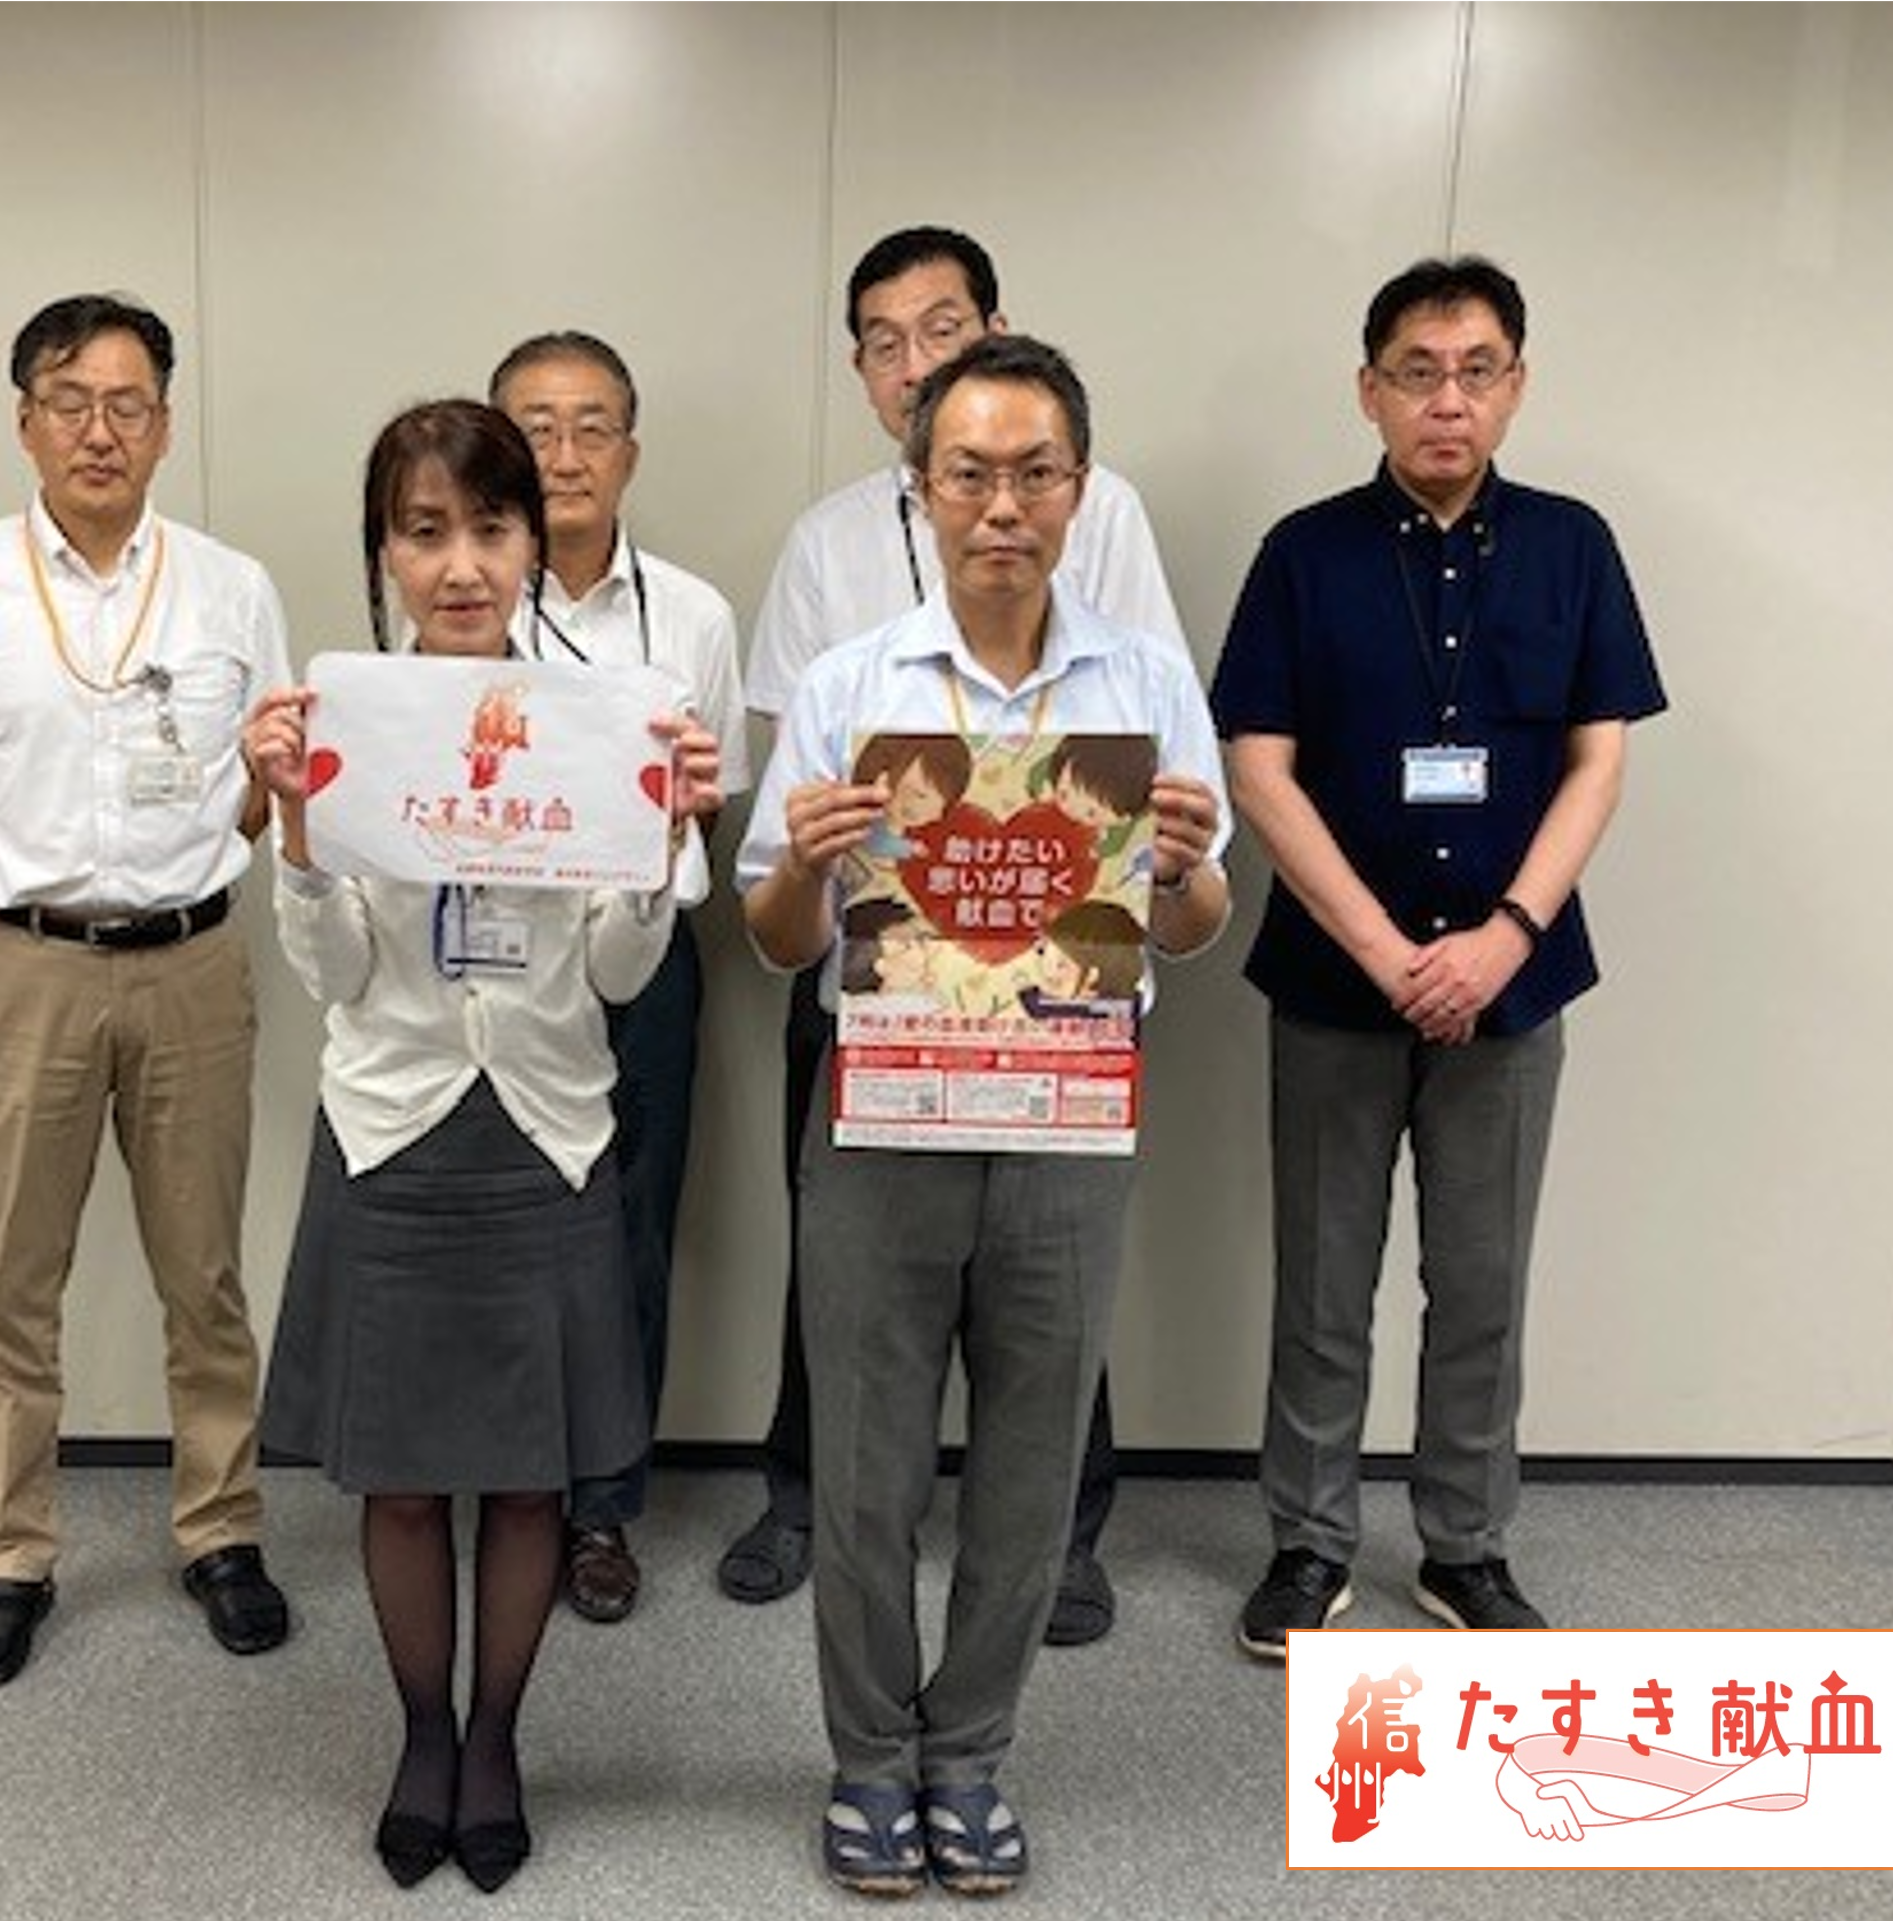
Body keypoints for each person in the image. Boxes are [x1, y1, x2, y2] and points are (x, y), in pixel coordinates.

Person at [737, 333, 1229, 1896]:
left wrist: (1183, 868)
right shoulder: (849, 687)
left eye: (1033, 474)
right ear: (922, 487)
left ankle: (970, 1756)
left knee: (1027, 1468)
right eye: (968, 474)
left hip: (1067, 1116)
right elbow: (775, 942)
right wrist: (806, 863)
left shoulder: (1141, 684)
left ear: (1077, 490)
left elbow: (1191, 927)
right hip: (881, 1112)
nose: (1001, 506)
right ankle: (867, 1759)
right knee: (865, 1463)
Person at [243, 400, 720, 1894]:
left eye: (490, 529)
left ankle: (497, 1738)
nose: (460, 564)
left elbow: (624, 976)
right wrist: (298, 828)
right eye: (424, 530)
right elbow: (334, 973)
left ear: (532, 543)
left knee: (525, 1484)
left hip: (546, 1128)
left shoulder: (606, 720)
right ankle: (420, 1735)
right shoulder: (340, 719)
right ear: (383, 550)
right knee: (399, 1484)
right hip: (392, 1128)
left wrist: (657, 840)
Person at [1210, 255, 1666, 1659]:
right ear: (1369, 390)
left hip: (1512, 988)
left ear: (1516, 387)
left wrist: (1503, 937)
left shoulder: (1573, 546)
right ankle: (1308, 1542)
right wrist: (1381, 948)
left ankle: (1465, 1546)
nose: (1446, 400)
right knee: (1322, 1283)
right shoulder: (1304, 553)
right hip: (1332, 987)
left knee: (1480, 1285)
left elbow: (1597, 761)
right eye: (1416, 372)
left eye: (1476, 371)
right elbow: (1257, 765)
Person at [0, 292, 294, 1689]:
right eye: (70, 402)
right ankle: (11, 1554)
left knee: (205, 1272)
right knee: (14, 1277)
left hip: (193, 963)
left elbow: (270, 776)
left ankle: (221, 1531)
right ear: (25, 422)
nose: (99, 430)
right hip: (26, 970)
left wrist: (180, 866)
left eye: (128, 404)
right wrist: (34, 884)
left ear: (166, 426)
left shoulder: (231, 586)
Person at [485, 331, 753, 1627]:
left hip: (646, 961)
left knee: (628, 1231)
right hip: (498, 959)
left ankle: (602, 1507)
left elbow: (711, 804)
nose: (564, 453)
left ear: (630, 453)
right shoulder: (462, 600)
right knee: (501, 1225)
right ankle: (505, 1485)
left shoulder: (692, 614)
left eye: (591, 425)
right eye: (534, 427)